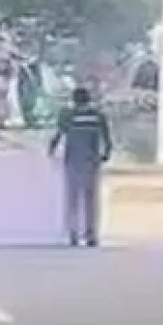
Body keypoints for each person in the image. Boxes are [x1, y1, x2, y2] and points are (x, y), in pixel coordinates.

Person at [49, 85, 112, 247]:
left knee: (73, 199)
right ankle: (91, 234)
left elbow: (58, 134)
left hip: (73, 161)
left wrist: (51, 150)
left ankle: (74, 234)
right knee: (91, 200)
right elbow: (107, 138)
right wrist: (106, 155)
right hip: (92, 161)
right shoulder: (98, 116)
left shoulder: (68, 115)